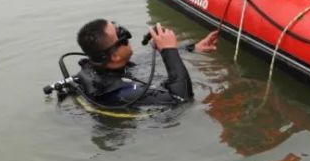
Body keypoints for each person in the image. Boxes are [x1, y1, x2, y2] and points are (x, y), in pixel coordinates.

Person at [72, 19, 219, 108]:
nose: (127, 36)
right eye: (121, 35)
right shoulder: (123, 93)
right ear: (115, 56)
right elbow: (182, 98)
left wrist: (193, 48)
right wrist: (169, 50)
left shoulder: (102, 65)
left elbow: (143, 61)